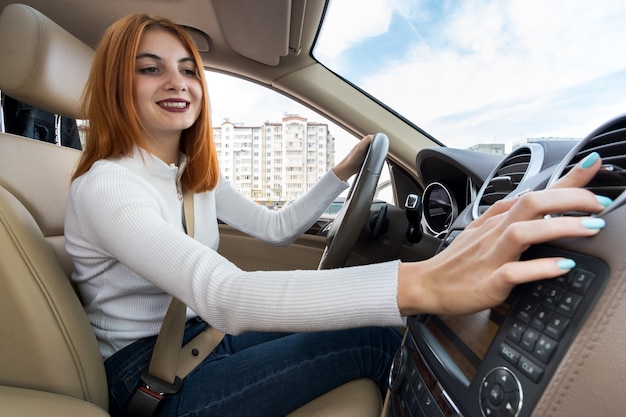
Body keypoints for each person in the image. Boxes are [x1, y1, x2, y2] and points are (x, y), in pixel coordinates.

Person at [64, 13, 608, 417]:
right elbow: (224, 295)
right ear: (118, 84)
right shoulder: (108, 186)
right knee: (379, 338)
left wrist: (343, 172)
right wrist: (424, 281)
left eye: (188, 69)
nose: (178, 82)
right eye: (150, 69)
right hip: (150, 377)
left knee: (378, 321)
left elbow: (276, 228)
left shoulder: (190, 172)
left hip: (199, 341)